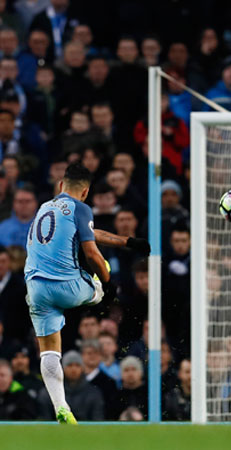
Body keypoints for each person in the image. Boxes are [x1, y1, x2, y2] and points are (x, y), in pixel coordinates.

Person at [23, 162, 149, 424]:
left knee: (49, 352)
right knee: (100, 267)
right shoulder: (80, 208)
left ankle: (61, 408)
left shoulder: (44, 208)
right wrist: (109, 284)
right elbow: (90, 251)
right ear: (85, 192)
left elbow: (89, 231)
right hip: (68, 287)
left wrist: (126, 242)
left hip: (35, 289)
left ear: (61, 186)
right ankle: (98, 295)